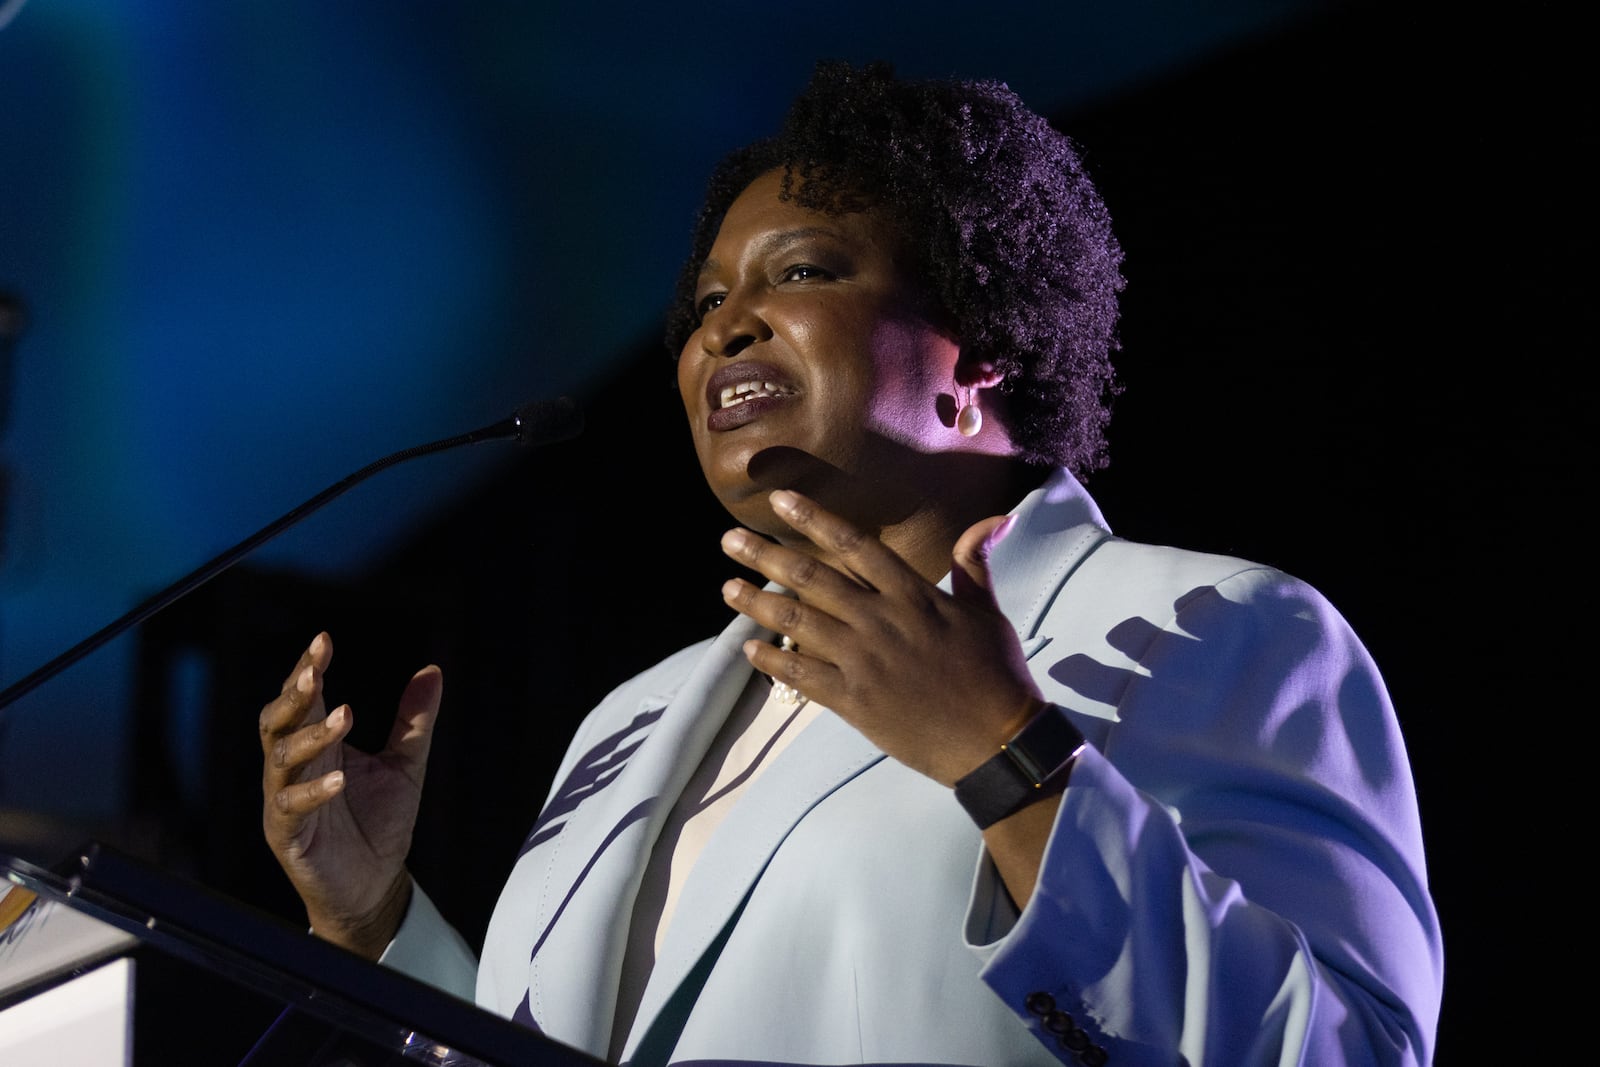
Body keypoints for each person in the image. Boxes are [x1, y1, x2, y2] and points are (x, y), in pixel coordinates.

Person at [258, 61, 1442, 1066]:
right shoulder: (636, 717)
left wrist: (1006, 760)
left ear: (979, 347)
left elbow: (1350, 1045)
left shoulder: (1218, 624)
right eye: (709, 298)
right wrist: (371, 928)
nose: (723, 324)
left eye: (803, 271)